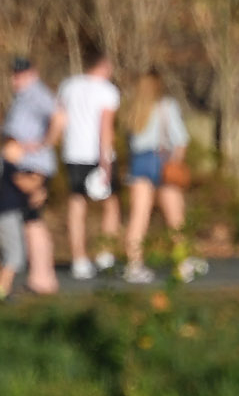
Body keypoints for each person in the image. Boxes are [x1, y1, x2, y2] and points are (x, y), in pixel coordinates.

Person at [0, 57, 62, 295]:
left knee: (33, 220)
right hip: (24, 165)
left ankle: (42, 278)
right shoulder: (23, 96)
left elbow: (59, 117)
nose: (16, 79)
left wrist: (44, 143)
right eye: (14, 74)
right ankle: (42, 276)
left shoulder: (36, 94)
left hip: (32, 168)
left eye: (21, 74)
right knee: (31, 221)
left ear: (32, 73)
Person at [56, 52, 122, 280]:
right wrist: (106, 161)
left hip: (73, 152)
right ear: (103, 65)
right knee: (111, 204)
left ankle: (79, 259)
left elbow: (60, 119)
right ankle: (105, 254)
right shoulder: (107, 90)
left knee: (77, 204)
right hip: (96, 153)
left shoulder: (68, 86)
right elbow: (105, 127)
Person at [122, 68, 191, 285]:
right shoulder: (166, 106)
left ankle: (133, 265)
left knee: (138, 217)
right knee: (175, 218)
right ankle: (181, 264)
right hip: (161, 161)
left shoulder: (132, 110)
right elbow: (180, 140)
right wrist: (176, 162)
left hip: (138, 163)